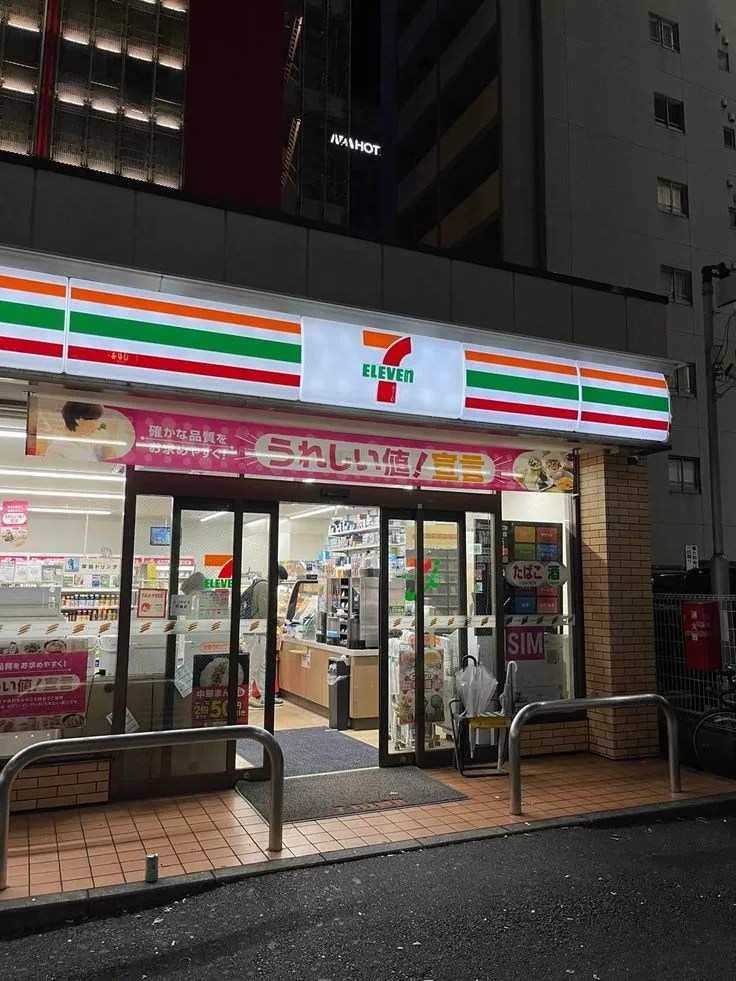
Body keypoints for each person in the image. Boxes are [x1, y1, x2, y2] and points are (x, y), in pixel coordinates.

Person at [240, 565, 288, 709]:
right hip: (256, 631)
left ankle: (266, 697)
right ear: (276, 576)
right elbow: (265, 612)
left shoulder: (259, 584)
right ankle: (245, 697)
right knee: (253, 664)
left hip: (255, 631)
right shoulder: (264, 586)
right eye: (280, 581)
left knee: (261, 665)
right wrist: (277, 620)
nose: (279, 584)